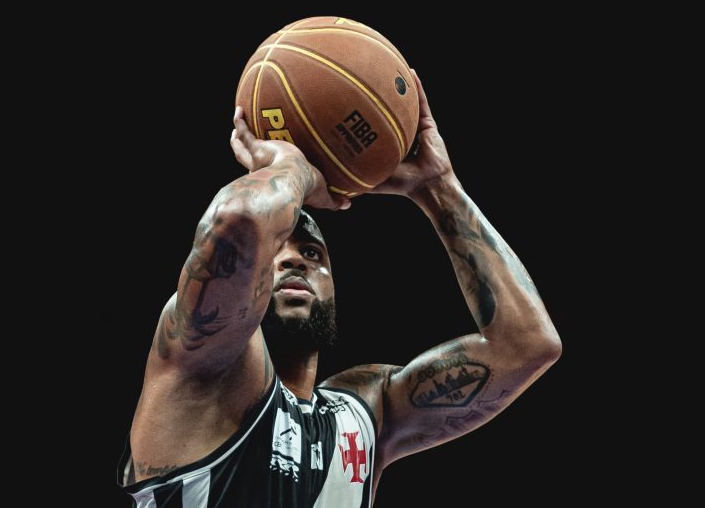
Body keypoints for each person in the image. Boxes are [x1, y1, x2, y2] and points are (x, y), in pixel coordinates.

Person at [117, 70, 562, 507]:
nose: (293, 260)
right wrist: (295, 168)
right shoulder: (200, 363)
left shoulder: (366, 412)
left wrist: (438, 188)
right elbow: (241, 221)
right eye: (277, 250)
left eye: (312, 253)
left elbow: (528, 345)